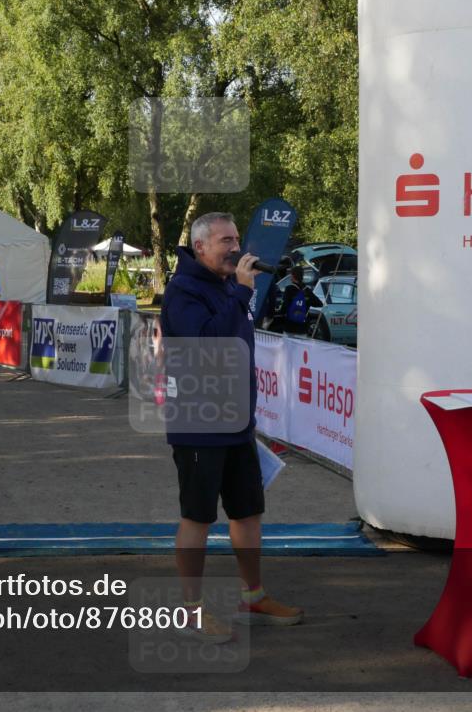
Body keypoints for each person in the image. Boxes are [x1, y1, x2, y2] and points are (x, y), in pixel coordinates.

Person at [160, 211, 303, 643]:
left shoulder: (226, 287)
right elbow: (208, 345)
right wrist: (240, 295)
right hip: (198, 424)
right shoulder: (182, 290)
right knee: (198, 516)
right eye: (225, 240)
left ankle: (253, 595)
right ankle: (190, 609)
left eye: (237, 238)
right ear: (200, 246)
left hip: (237, 422)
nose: (236, 247)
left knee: (247, 511)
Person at [277, 266, 310, 335]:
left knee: (287, 345)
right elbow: (319, 303)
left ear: (293, 275)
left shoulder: (289, 289)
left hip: (290, 327)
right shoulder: (307, 289)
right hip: (303, 327)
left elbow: (284, 308)